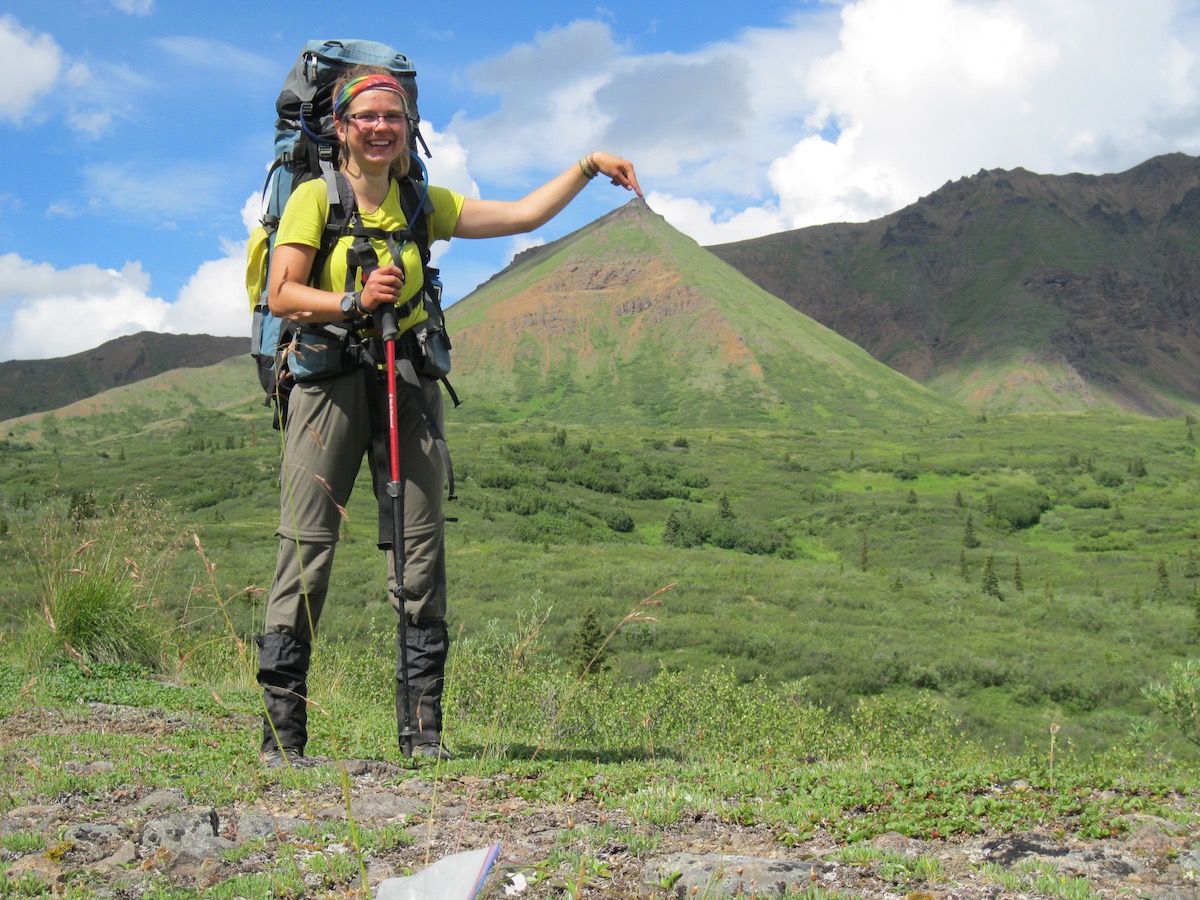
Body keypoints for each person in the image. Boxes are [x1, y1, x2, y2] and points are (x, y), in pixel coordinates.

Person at [255, 66, 642, 765]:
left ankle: (422, 737)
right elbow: (282, 293)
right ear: (341, 127)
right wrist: (352, 302)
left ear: (409, 129)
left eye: (393, 117)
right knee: (307, 548)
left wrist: (587, 165)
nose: (380, 128)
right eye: (366, 117)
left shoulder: (420, 201)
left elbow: (521, 214)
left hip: (407, 378)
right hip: (330, 382)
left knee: (421, 554)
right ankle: (283, 739)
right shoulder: (314, 199)